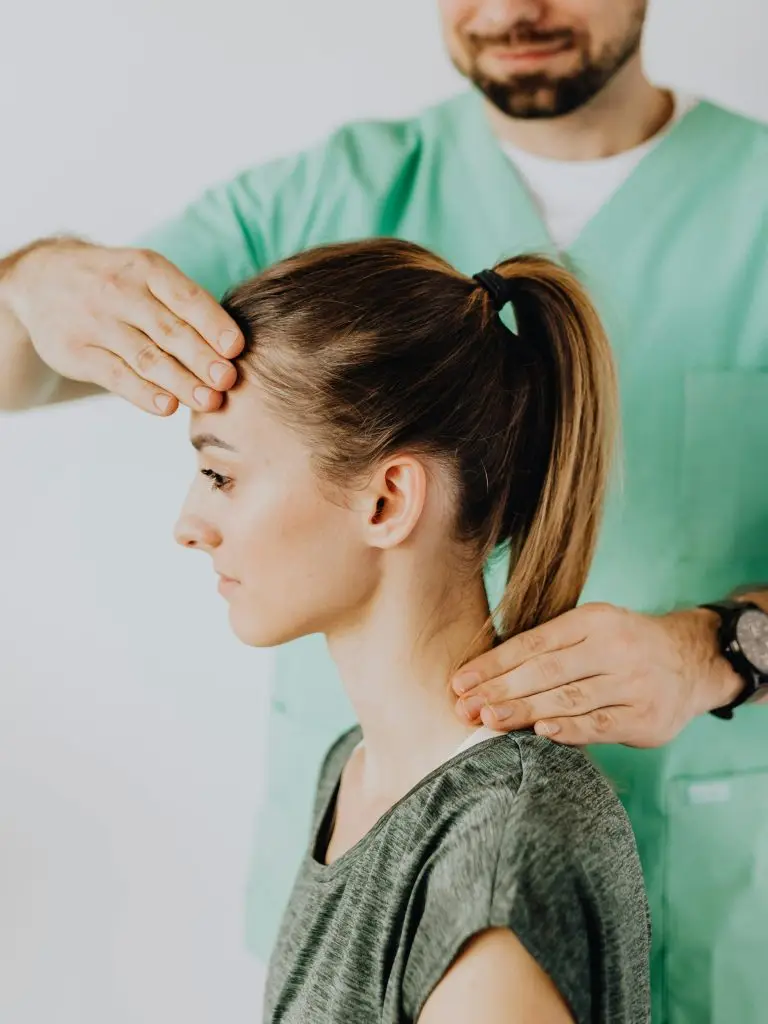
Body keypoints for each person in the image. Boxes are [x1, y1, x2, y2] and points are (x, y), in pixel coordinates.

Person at [0, 1, 766, 1019]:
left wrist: (724, 647)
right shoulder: (323, 195)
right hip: (372, 874)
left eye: (220, 476)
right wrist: (31, 282)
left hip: (687, 900)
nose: (511, 9)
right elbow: (28, 360)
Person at [174, 236, 650, 1023]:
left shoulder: (496, 859)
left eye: (220, 474)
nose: (188, 525)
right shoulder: (356, 771)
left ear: (388, 502)